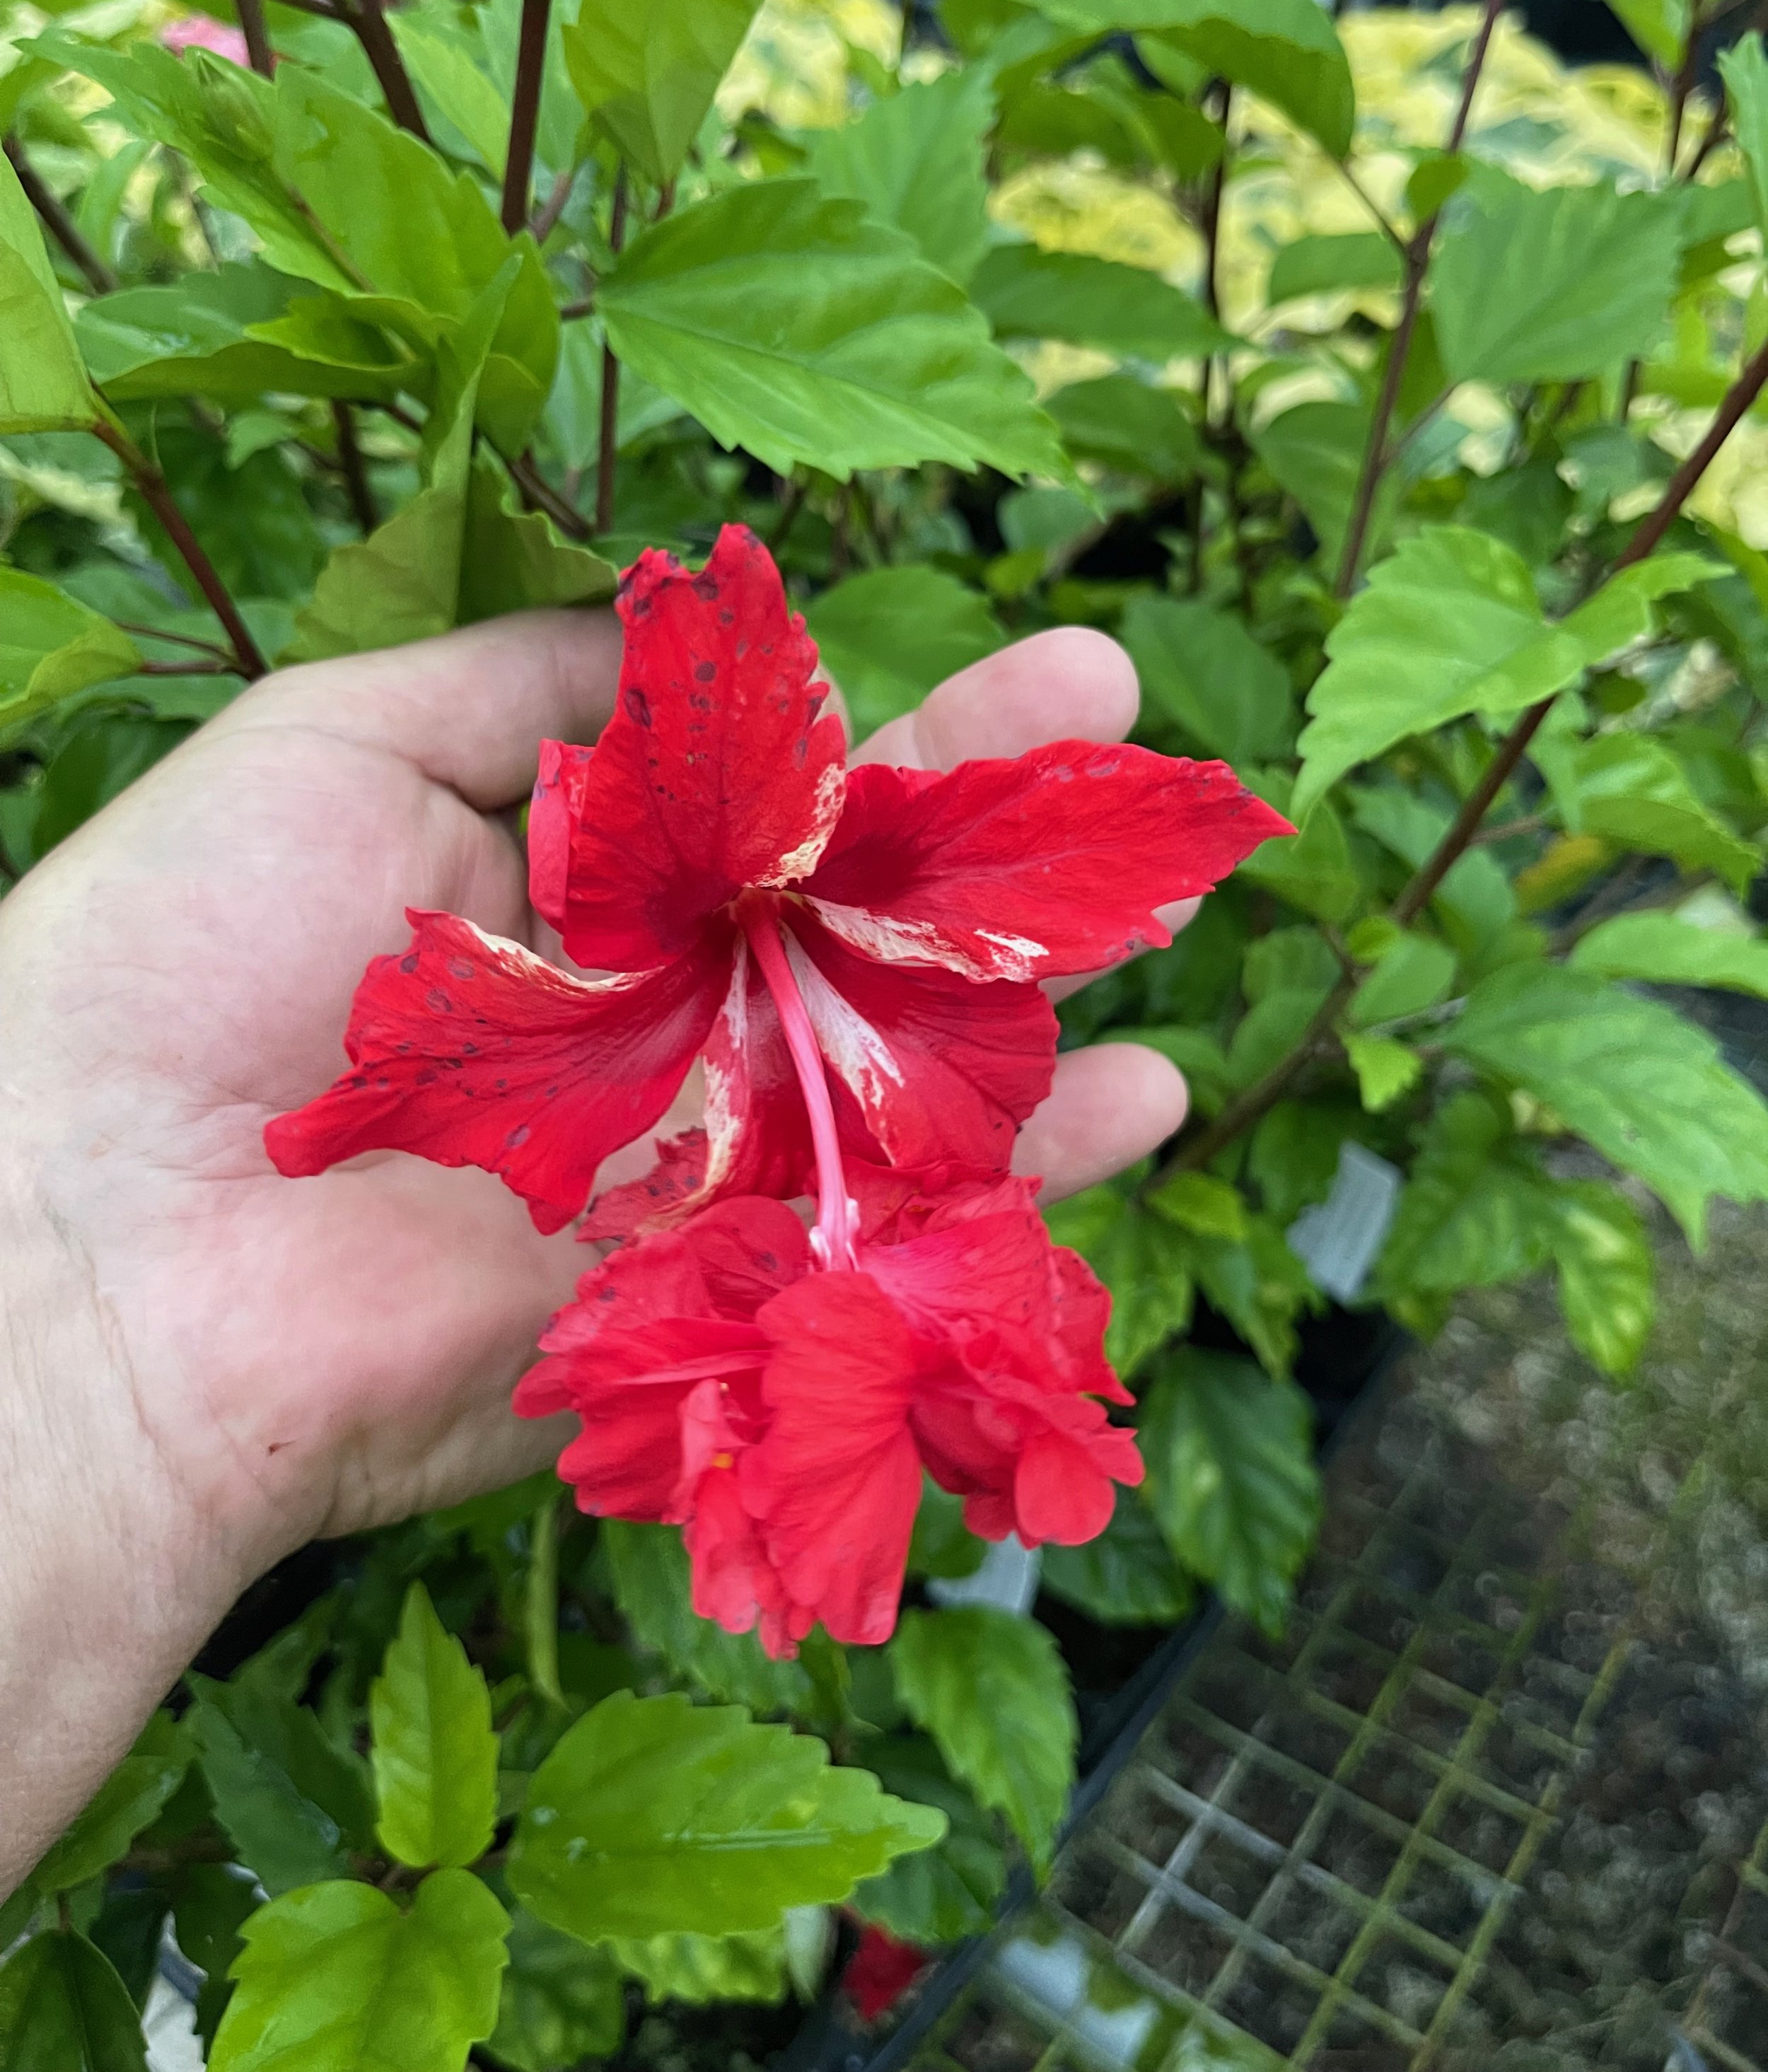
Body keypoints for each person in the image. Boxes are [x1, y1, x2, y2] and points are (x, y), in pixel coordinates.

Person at [0, 608, 1192, 1892]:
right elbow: (420, 1081)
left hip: (810, 973)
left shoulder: (821, 1070)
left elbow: (1089, 862)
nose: (842, 1228)